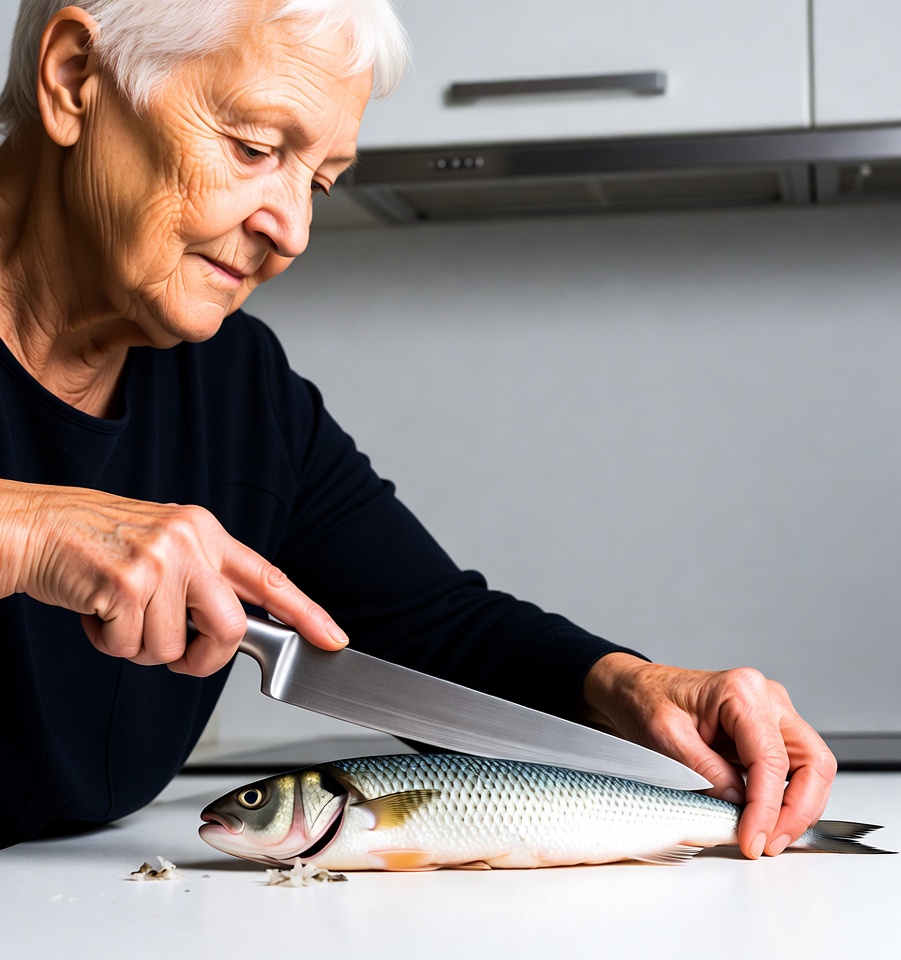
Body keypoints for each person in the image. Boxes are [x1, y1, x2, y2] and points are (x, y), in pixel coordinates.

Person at [0, 0, 836, 857]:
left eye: (319, 180)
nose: (290, 231)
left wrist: (637, 687)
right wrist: (28, 531)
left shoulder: (238, 388)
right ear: (74, 78)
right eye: (255, 148)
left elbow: (436, 633)